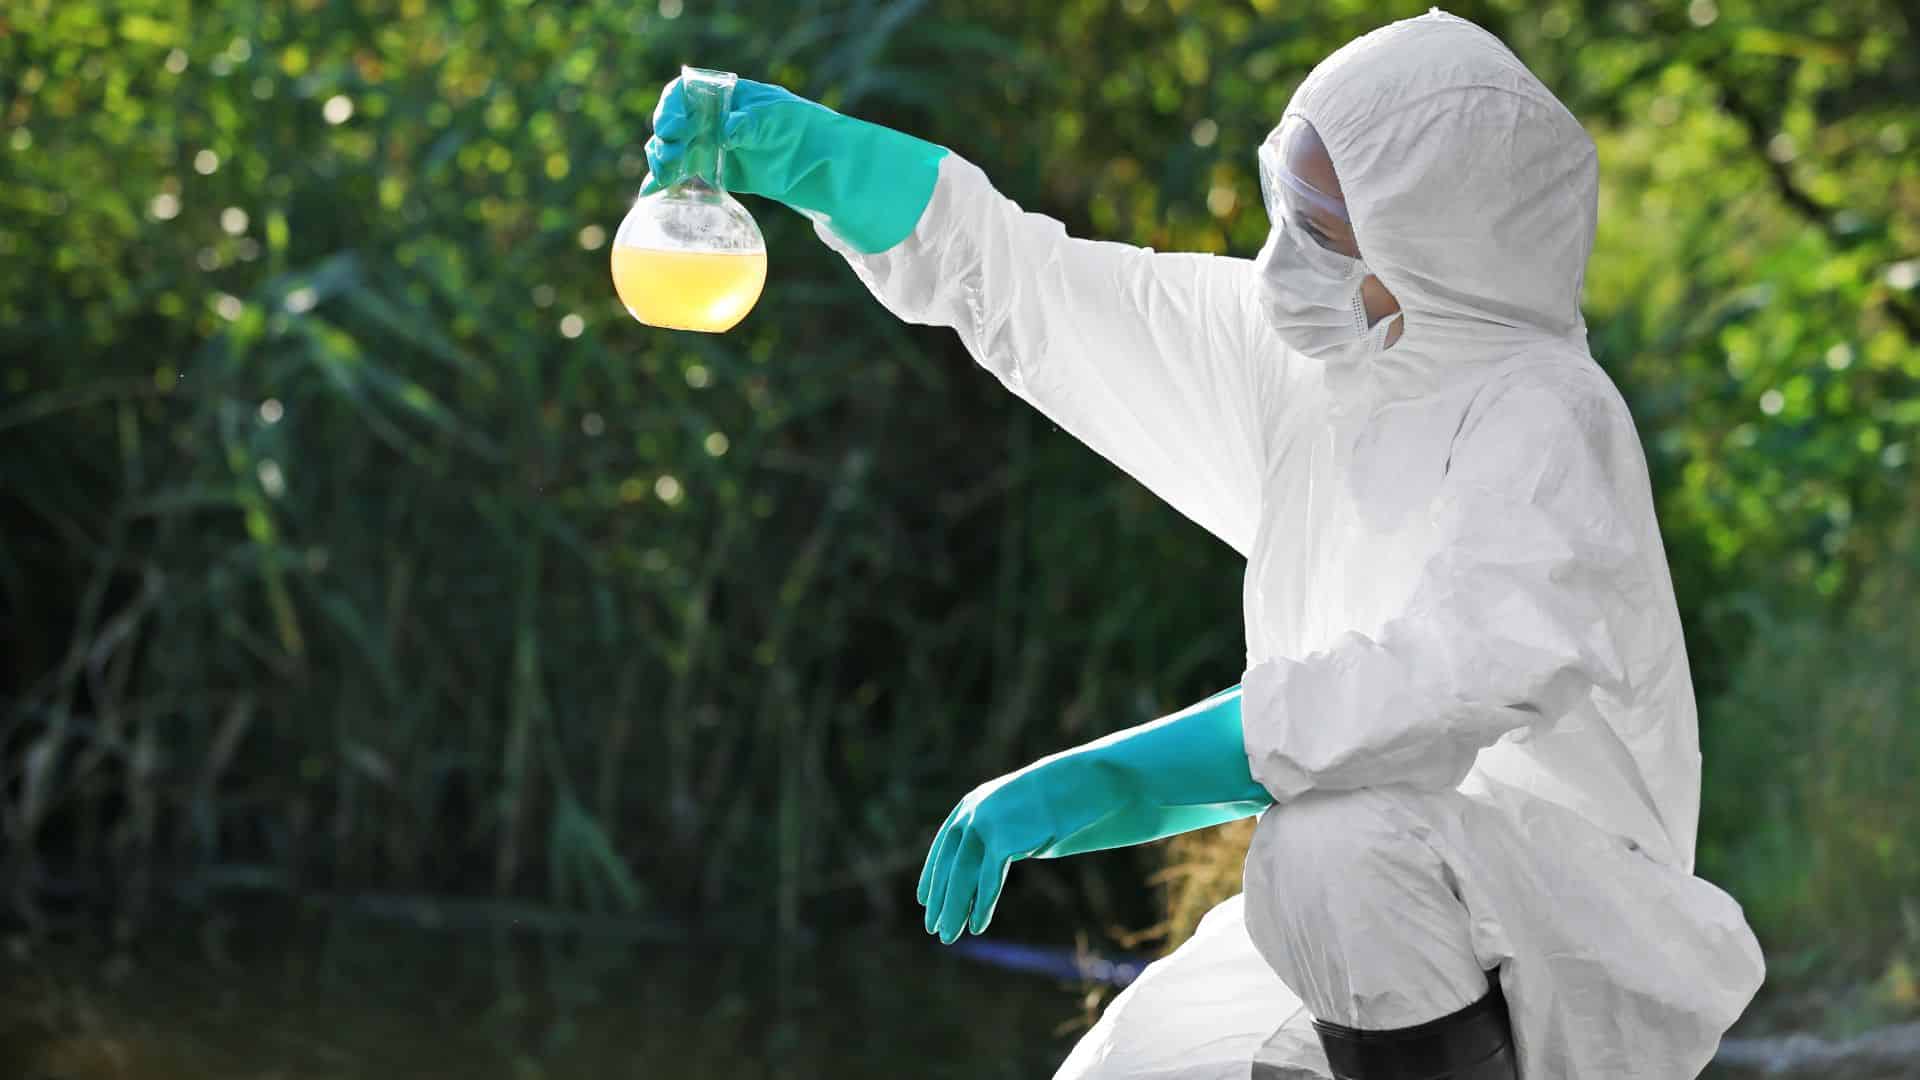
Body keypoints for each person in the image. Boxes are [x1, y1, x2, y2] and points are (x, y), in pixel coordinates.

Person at [644, 9, 1764, 1078]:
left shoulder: (1547, 420)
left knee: (1329, 852)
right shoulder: (1326, 369)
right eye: (1291, 206)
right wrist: (816, 156)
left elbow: (1425, 694)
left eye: (1326, 234)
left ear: (1443, 250)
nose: (1289, 264)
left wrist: (1113, 775)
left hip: (1569, 933)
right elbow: (1039, 296)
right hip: (1369, 913)